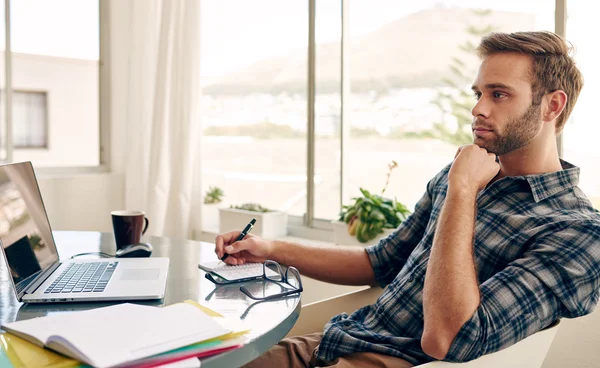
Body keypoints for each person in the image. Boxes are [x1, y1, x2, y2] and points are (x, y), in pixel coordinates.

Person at [215, 31, 600, 368]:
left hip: (388, 362)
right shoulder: (459, 178)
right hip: (334, 339)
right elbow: (378, 262)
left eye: (499, 95)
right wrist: (270, 248)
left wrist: (462, 193)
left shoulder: (578, 233)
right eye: (479, 93)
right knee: (197, 361)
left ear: (552, 105)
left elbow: (447, 338)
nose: (478, 109)